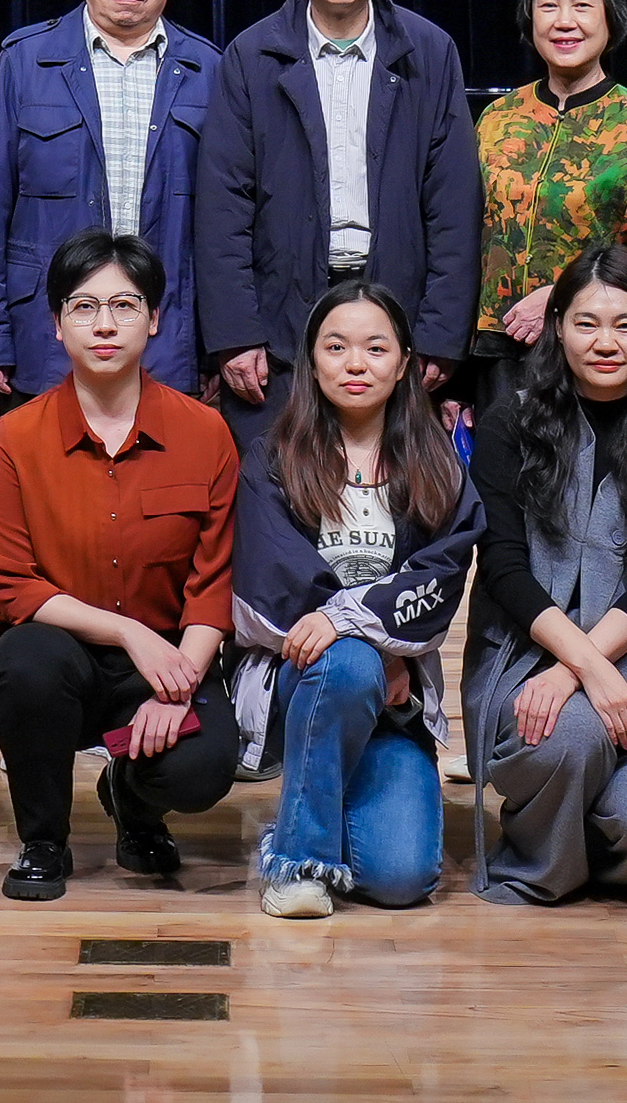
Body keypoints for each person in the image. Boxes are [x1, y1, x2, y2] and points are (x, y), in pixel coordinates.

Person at [0, 231, 245, 898]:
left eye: (124, 305)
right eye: (84, 306)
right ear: (57, 323)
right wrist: (128, 632)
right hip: (60, 653)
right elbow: (14, 583)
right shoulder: (17, 436)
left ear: (153, 320)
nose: (104, 325)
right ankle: (44, 839)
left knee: (202, 768)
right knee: (25, 667)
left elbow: (213, 582)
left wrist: (175, 686)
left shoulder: (204, 431)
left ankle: (132, 795)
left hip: (169, 658)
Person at [464, 243, 627, 905]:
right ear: (557, 327)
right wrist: (581, 669)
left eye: (624, 324)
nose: (605, 342)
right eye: (586, 322)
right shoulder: (509, 424)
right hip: (529, 653)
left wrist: (580, 671)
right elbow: (503, 567)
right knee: (570, 734)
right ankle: (542, 861)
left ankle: (582, 827)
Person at [232, 278, 481, 914]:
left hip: (397, 694)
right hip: (302, 677)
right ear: (312, 360)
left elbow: (442, 570)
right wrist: (368, 646)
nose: (356, 363)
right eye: (336, 346)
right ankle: (296, 863)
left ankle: (310, 805)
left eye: (376, 347)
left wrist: (371, 637)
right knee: (346, 662)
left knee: (400, 880)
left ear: (404, 364)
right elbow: (270, 576)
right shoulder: (273, 457)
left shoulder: (437, 464)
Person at [208, 0, 483, 427]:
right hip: (280, 329)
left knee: (393, 477)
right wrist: (236, 333)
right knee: (280, 474)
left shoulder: (429, 52)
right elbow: (223, 205)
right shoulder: (250, 56)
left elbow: (454, 205)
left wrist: (440, 334)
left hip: (397, 325)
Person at [0, 0, 223, 399]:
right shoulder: (27, 61)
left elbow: (226, 224)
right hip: (47, 332)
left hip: (168, 335)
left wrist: (217, 344)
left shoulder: (208, 71)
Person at [466, 0, 627, 422]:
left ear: (611, 19)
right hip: (495, 354)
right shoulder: (498, 119)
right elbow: (463, 237)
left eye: (582, 5)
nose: (564, 21)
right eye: (548, 6)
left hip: (593, 355)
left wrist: (562, 298)